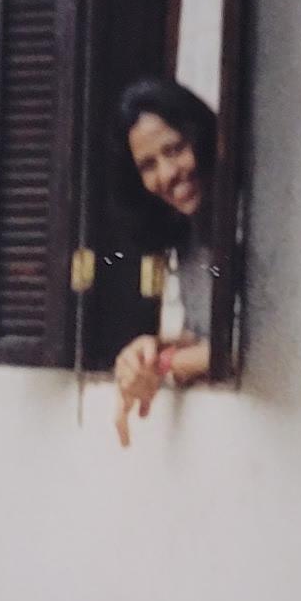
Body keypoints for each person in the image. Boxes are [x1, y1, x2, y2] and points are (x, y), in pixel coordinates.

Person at [108, 76, 219, 446]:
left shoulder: (254, 219)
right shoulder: (190, 239)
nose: (168, 174)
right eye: (148, 166)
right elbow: (206, 334)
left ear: (202, 138)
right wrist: (147, 349)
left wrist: (163, 365)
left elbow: (254, 345)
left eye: (175, 149)